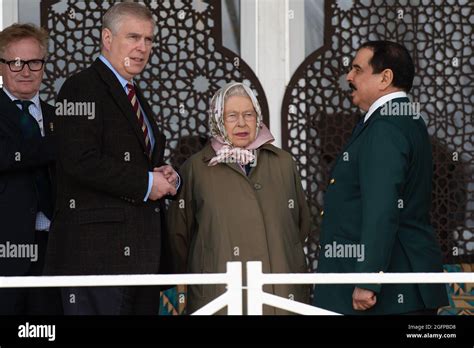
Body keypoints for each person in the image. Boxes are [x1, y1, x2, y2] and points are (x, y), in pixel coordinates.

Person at [44, 2, 179, 315]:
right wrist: (146, 182)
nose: (142, 47)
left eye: (148, 39)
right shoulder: (80, 88)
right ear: (107, 38)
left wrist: (163, 175)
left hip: (142, 259)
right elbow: (80, 160)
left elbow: (134, 161)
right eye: (133, 37)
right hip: (98, 257)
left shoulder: (133, 92)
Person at [313, 41, 448, 315]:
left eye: (357, 69)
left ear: (385, 78)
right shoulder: (404, 118)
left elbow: (382, 209)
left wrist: (368, 279)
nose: (348, 77)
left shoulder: (385, 126)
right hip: (402, 283)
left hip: (386, 293)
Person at [167, 82, 311, 314]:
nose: (242, 123)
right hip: (220, 295)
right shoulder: (196, 168)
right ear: (217, 119)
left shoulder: (283, 163)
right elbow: (179, 237)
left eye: (248, 114)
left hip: (279, 293)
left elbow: (301, 225)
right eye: (231, 116)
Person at [0, 23, 62, 314]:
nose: (25, 71)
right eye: (15, 63)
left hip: (55, 250)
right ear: (1, 66)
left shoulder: (59, 118)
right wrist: (59, 145)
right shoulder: (65, 134)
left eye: (34, 62)